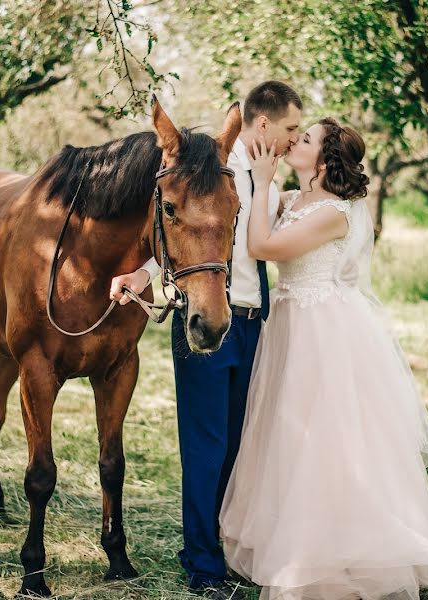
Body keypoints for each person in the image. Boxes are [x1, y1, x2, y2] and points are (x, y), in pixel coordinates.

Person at [218, 118, 428, 600]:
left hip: (321, 330)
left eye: (304, 139)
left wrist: (265, 181)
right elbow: (252, 215)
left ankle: (335, 546)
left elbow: (262, 245)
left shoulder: (336, 212)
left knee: (324, 438)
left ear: (326, 159)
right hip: (286, 323)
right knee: (284, 432)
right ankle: (282, 536)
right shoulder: (292, 200)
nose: (295, 142)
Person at [110, 81, 302, 599]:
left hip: (254, 321)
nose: (293, 139)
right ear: (260, 125)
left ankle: (226, 543)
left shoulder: (263, 175)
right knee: (207, 445)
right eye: (289, 130)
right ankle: (201, 562)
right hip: (207, 319)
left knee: (239, 441)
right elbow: (182, 230)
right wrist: (142, 276)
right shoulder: (208, 167)